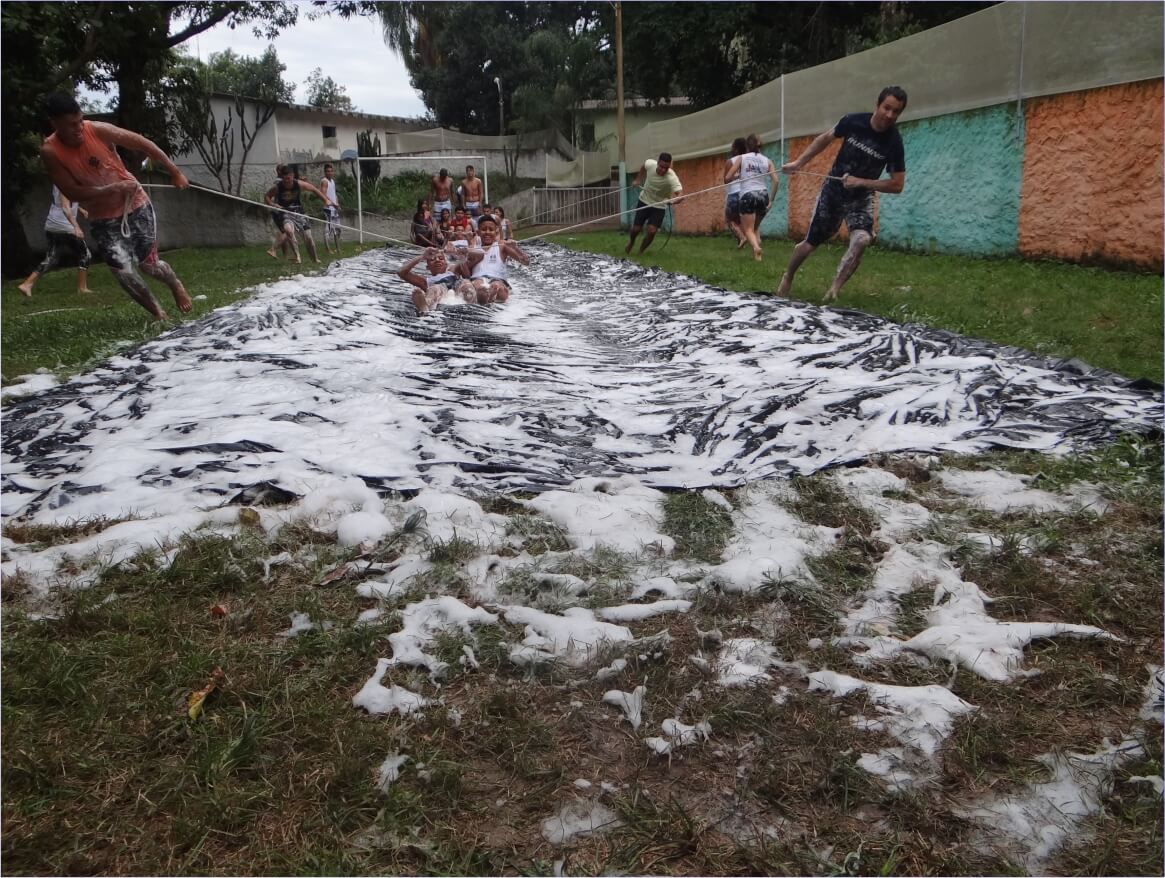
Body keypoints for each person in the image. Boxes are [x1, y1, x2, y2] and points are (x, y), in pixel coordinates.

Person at [38, 91, 192, 321]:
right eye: (71, 125)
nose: (79, 128)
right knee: (123, 272)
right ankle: (159, 314)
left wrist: (175, 172)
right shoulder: (50, 152)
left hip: (135, 203)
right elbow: (70, 191)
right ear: (54, 123)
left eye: (80, 120)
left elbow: (143, 143)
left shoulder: (97, 129)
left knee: (149, 266)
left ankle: (175, 283)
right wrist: (109, 190)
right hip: (102, 216)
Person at [777, 86, 908, 302]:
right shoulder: (853, 121)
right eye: (887, 108)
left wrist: (861, 182)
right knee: (809, 244)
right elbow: (825, 138)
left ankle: (834, 290)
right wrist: (799, 162)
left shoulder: (894, 142)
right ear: (877, 105)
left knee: (862, 239)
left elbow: (897, 184)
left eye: (896, 112)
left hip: (861, 197)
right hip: (833, 192)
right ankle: (788, 275)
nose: (890, 115)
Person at [19, 185, 94, 297]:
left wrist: (79, 209)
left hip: (52, 224)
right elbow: (65, 207)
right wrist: (76, 227)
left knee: (52, 257)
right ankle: (82, 288)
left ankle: (27, 284)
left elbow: (63, 201)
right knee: (85, 254)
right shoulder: (64, 183)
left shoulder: (61, 180)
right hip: (64, 225)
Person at [264, 164, 337, 265]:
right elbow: (267, 196)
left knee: (308, 237)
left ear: (292, 176)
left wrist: (325, 200)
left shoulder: (299, 184)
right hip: (285, 212)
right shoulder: (278, 187)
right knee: (288, 230)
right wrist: (272, 204)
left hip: (298, 212)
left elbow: (314, 190)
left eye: (289, 179)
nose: (287, 181)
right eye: (284, 179)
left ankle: (315, 259)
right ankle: (297, 256)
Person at [725, 133, 780, 262]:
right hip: (763, 196)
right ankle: (757, 256)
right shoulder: (767, 160)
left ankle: (756, 248)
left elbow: (727, 178)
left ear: (747, 146)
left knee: (748, 229)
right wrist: (771, 200)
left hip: (747, 195)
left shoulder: (742, 158)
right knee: (755, 228)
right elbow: (776, 181)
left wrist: (739, 176)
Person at [624, 152, 683, 256]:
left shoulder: (671, 177)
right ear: (658, 162)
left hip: (659, 206)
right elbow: (643, 166)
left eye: (666, 168)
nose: (663, 170)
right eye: (661, 166)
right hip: (644, 201)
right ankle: (631, 242)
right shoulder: (650, 164)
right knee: (636, 229)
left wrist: (673, 201)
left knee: (652, 231)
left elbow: (680, 195)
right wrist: (638, 180)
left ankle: (641, 251)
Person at [397, 246, 480, 314]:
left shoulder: (453, 270)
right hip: (440, 294)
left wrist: (463, 252)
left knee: (465, 282)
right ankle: (424, 306)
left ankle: (473, 304)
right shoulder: (425, 281)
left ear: (446, 263)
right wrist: (422, 257)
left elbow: (477, 256)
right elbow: (401, 272)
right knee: (436, 288)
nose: (437, 260)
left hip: (458, 291)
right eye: (432, 259)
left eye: (441, 258)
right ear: (428, 267)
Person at [469, 214, 529, 305]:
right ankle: (483, 296)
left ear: (496, 232)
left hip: (497, 279)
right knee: (477, 285)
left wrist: (516, 248)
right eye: (484, 229)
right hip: (477, 279)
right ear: (478, 232)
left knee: (497, 286)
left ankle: (491, 296)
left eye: (491, 229)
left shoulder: (502, 246)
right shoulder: (473, 246)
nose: (487, 232)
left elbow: (526, 262)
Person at [723, 137, 747, 250]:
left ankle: (742, 238)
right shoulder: (748, 159)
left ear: (736, 149)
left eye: (733, 147)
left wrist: (735, 176)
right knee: (740, 220)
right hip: (746, 193)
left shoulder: (731, 161)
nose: (731, 149)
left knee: (729, 219)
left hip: (734, 193)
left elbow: (726, 180)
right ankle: (741, 242)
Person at [318, 163, 341, 254]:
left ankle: (338, 248)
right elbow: (323, 195)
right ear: (325, 172)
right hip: (328, 208)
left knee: (338, 229)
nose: (330, 173)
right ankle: (328, 249)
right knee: (328, 229)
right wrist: (332, 204)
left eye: (331, 171)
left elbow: (334, 194)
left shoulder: (332, 181)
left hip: (334, 208)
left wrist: (337, 203)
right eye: (328, 171)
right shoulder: (324, 181)